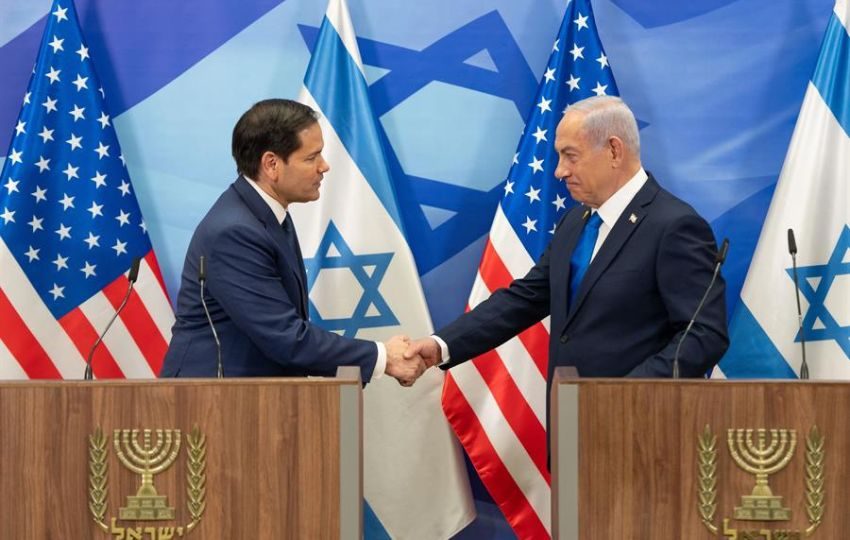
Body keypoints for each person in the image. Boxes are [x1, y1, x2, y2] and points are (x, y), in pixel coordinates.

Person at [406, 96, 729, 393]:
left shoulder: (673, 225)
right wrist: (440, 346)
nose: (559, 171)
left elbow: (703, 334)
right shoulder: (575, 223)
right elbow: (524, 299)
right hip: (568, 417)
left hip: (635, 426)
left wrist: (624, 394)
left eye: (570, 156)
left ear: (614, 150)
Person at [161, 99, 423, 385]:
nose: (325, 166)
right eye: (312, 158)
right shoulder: (235, 232)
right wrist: (383, 356)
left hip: (254, 399)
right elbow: (285, 338)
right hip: (209, 404)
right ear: (272, 164)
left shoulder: (267, 214)